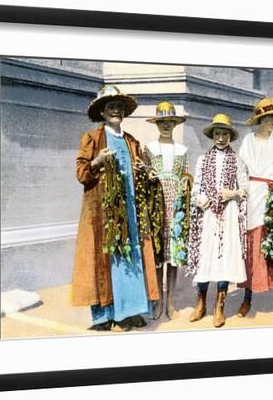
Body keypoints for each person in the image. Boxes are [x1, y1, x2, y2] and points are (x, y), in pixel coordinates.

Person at [71, 85, 160, 332]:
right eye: (111, 107)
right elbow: (81, 173)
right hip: (103, 213)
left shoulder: (131, 141)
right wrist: (97, 161)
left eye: (119, 107)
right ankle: (104, 315)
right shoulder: (92, 139)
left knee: (131, 257)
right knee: (104, 259)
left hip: (130, 211)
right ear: (102, 111)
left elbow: (143, 171)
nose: (116, 111)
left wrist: (144, 172)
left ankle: (129, 312)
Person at [236, 97, 273, 318]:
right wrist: (243, 192)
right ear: (261, 119)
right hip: (253, 196)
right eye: (270, 118)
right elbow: (240, 171)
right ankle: (247, 298)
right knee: (253, 246)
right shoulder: (248, 141)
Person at [186, 113, 248, 328]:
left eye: (224, 134)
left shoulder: (237, 160)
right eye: (217, 134)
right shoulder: (203, 159)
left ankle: (219, 305)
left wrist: (232, 194)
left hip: (229, 214)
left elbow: (245, 189)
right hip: (209, 214)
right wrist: (200, 198)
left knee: (225, 257)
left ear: (230, 136)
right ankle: (201, 302)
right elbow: (196, 188)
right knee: (205, 255)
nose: (220, 138)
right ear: (212, 135)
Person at [144, 101, 192, 320]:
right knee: (157, 253)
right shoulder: (150, 148)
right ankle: (158, 301)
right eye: (162, 122)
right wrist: (148, 174)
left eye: (169, 122)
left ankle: (171, 300)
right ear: (157, 124)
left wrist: (185, 181)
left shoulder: (182, 149)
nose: (166, 126)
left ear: (174, 124)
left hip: (176, 205)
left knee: (172, 254)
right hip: (156, 203)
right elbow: (143, 173)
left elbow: (187, 175)